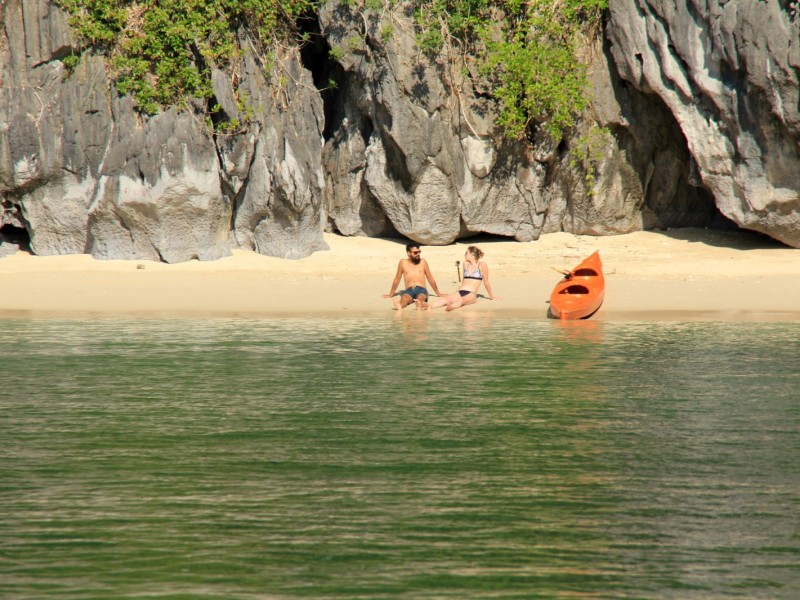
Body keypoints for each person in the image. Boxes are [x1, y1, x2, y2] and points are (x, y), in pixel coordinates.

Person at [428, 245, 499, 311]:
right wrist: (457, 290)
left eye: (466, 253)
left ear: (472, 255)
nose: (465, 254)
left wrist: (492, 296)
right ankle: (428, 306)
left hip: (472, 293)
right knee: (447, 299)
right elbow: (463, 280)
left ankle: (450, 307)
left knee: (461, 300)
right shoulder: (465, 264)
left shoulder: (482, 265)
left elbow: (486, 282)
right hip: (460, 291)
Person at [383, 243, 443, 310]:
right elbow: (397, 279)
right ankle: (400, 305)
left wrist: (438, 293)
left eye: (419, 252)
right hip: (409, 289)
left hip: (421, 289)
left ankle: (419, 304)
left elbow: (430, 278)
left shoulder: (423, 262)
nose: (418, 254)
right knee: (404, 298)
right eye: (415, 252)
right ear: (409, 253)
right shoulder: (403, 263)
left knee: (421, 297)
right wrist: (391, 294)